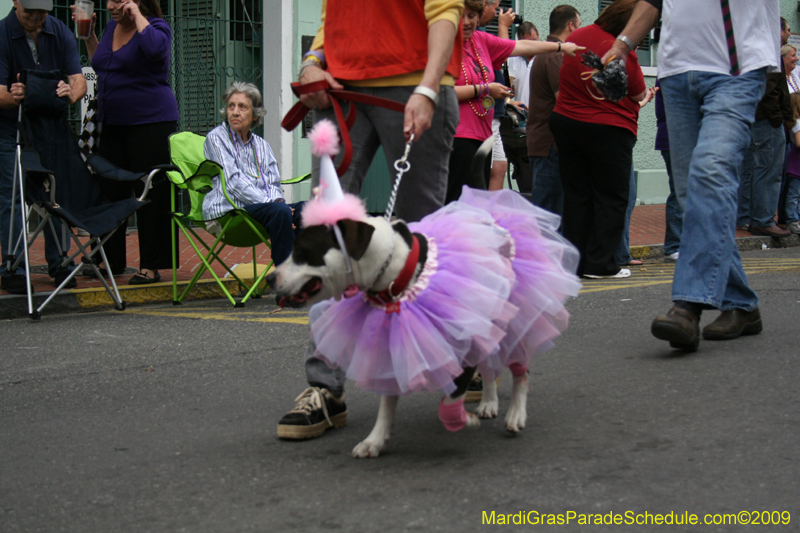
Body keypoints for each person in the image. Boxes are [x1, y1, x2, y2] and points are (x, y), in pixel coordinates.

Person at [278, 0, 463, 440]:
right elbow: (333, 17)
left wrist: (429, 88)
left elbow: (446, 9)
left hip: (415, 84)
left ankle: (459, 361)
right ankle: (325, 388)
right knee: (324, 237)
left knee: (422, 246)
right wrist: (311, 62)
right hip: (341, 89)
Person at [602, 0, 780, 351]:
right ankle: (741, 304)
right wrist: (621, 45)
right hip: (677, 72)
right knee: (690, 196)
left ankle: (688, 305)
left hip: (736, 68)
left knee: (711, 173)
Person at [548, 0, 648, 280]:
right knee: (611, 198)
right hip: (608, 128)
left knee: (577, 196)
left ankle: (576, 263)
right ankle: (600, 264)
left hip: (567, 123)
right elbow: (638, 93)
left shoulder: (578, 35)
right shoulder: (621, 48)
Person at [446, 0, 582, 203]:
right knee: (455, 204)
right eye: (461, 16)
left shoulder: (480, 39)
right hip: (455, 136)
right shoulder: (444, 43)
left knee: (474, 205)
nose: (466, 22)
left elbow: (522, 45)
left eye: (472, 16)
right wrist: (484, 89)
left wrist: (561, 46)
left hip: (482, 136)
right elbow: (442, 92)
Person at [84, 0, 178, 285]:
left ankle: (150, 264)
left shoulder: (157, 28)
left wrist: (137, 15)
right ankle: (110, 259)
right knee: (109, 188)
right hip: (112, 122)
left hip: (150, 121)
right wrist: (89, 35)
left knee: (149, 191)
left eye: (117, 0)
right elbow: (101, 64)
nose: (110, 5)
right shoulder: (111, 27)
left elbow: (156, 50)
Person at [0, 0, 86, 294]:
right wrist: (14, 96)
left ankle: (60, 262)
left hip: (50, 129)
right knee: (12, 196)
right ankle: (12, 267)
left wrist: (70, 92)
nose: (37, 16)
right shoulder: (3, 34)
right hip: (11, 130)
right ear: (15, 2)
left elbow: (78, 80)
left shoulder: (59, 31)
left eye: (42, 11)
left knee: (54, 195)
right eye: (30, 11)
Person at [203, 82, 303, 268]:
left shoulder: (262, 145)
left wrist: (277, 202)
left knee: (310, 210)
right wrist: (273, 205)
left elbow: (272, 183)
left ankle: (301, 264)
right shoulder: (216, 138)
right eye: (231, 106)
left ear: (255, 114)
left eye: (242, 107)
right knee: (280, 211)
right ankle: (288, 276)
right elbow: (233, 182)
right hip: (230, 211)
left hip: (262, 209)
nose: (235, 112)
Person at [526, 5, 581, 217]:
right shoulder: (556, 55)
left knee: (549, 213)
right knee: (549, 217)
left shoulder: (546, 52)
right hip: (551, 145)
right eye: (579, 25)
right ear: (571, 26)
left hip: (544, 143)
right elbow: (565, 101)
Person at [735, 40, 792, 239]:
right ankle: (763, 220)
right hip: (766, 119)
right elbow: (769, 88)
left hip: (752, 116)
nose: (787, 33)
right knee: (768, 170)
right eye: (786, 29)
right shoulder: (768, 48)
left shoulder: (751, 46)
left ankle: (745, 217)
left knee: (751, 169)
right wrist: (778, 118)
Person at [654, 79, 681, 262]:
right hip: (676, 137)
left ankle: (677, 245)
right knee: (681, 192)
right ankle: (675, 246)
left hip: (674, 137)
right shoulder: (674, 73)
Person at [507, 21, 539, 109]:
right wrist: (509, 101)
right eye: (527, 43)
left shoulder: (545, 58)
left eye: (534, 40)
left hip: (541, 115)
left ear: (538, 36)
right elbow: (508, 92)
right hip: (521, 113)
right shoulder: (512, 59)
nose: (532, 46)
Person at [785, 92, 800, 235]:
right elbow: (798, 142)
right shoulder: (798, 123)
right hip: (796, 165)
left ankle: (797, 218)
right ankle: (792, 219)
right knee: (794, 194)